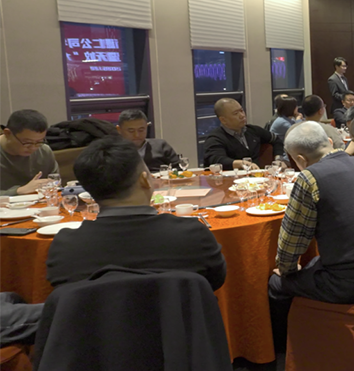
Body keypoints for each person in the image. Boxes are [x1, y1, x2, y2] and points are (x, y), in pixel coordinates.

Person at [46, 136, 226, 290]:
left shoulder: (66, 247)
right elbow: (215, 281)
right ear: (145, 180)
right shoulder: (191, 235)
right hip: (178, 320)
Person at [268, 121, 354, 345]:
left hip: (348, 284)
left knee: (277, 284)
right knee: (314, 263)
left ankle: (288, 352)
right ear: (330, 142)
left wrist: (286, 270)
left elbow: (291, 244)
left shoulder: (309, 178)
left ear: (300, 160)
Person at [202, 98, 283, 170]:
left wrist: (278, 159)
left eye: (241, 111)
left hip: (257, 177)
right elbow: (217, 160)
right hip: (230, 179)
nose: (242, 115)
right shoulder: (215, 138)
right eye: (235, 113)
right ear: (223, 120)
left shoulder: (253, 130)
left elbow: (276, 139)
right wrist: (241, 164)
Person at [0, 109, 56, 196]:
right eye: (27, 142)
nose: (33, 148)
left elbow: (55, 184)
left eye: (39, 142)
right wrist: (18, 191)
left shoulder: (44, 151)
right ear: (7, 133)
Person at [116, 109, 181, 171]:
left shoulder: (160, 146)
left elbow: (179, 170)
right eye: (131, 131)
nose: (137, 135)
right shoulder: (113, 152)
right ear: (119, 130)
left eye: (141, 130)